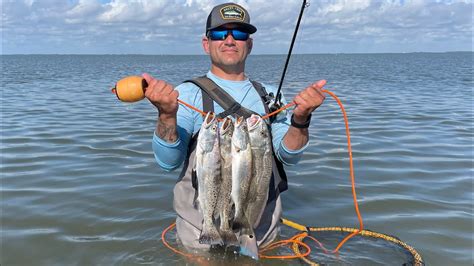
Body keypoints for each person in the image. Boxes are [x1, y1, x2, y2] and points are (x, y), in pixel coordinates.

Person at [143, 2, 326, 256]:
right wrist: (166, 115)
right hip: (199, 230)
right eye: (220, 33)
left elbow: (289, 156)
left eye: (239, 34)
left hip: (259, 229)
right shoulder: (186, 94)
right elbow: (168, 161)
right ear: (206, 43)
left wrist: (301, 118)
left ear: (249, 44)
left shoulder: (271, 96)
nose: (230, 40)